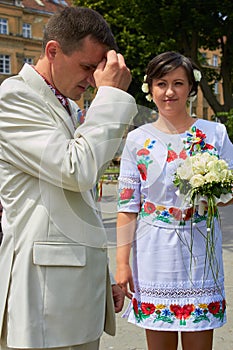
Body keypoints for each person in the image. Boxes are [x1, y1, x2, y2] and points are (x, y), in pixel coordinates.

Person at [0, 6, 137, 350]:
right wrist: (112, 97)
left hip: (75, 292)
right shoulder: (14, 97)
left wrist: (101, 277)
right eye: (88, 67)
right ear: (52, 51)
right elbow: (76, 170)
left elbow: (77, 206)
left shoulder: (68, 107)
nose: (93, 81)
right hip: (45, 300)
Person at [115, 51, 233, 350]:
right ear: (150, 88)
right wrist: (121, 264)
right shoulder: (137, 139)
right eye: (161, 83)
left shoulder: (214, 133)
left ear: (191, 88)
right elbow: (128, 207)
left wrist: (213, 188)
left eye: (178, 83)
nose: (169, 92)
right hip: (153, 254)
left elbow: (229, 194)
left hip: (200, 252)